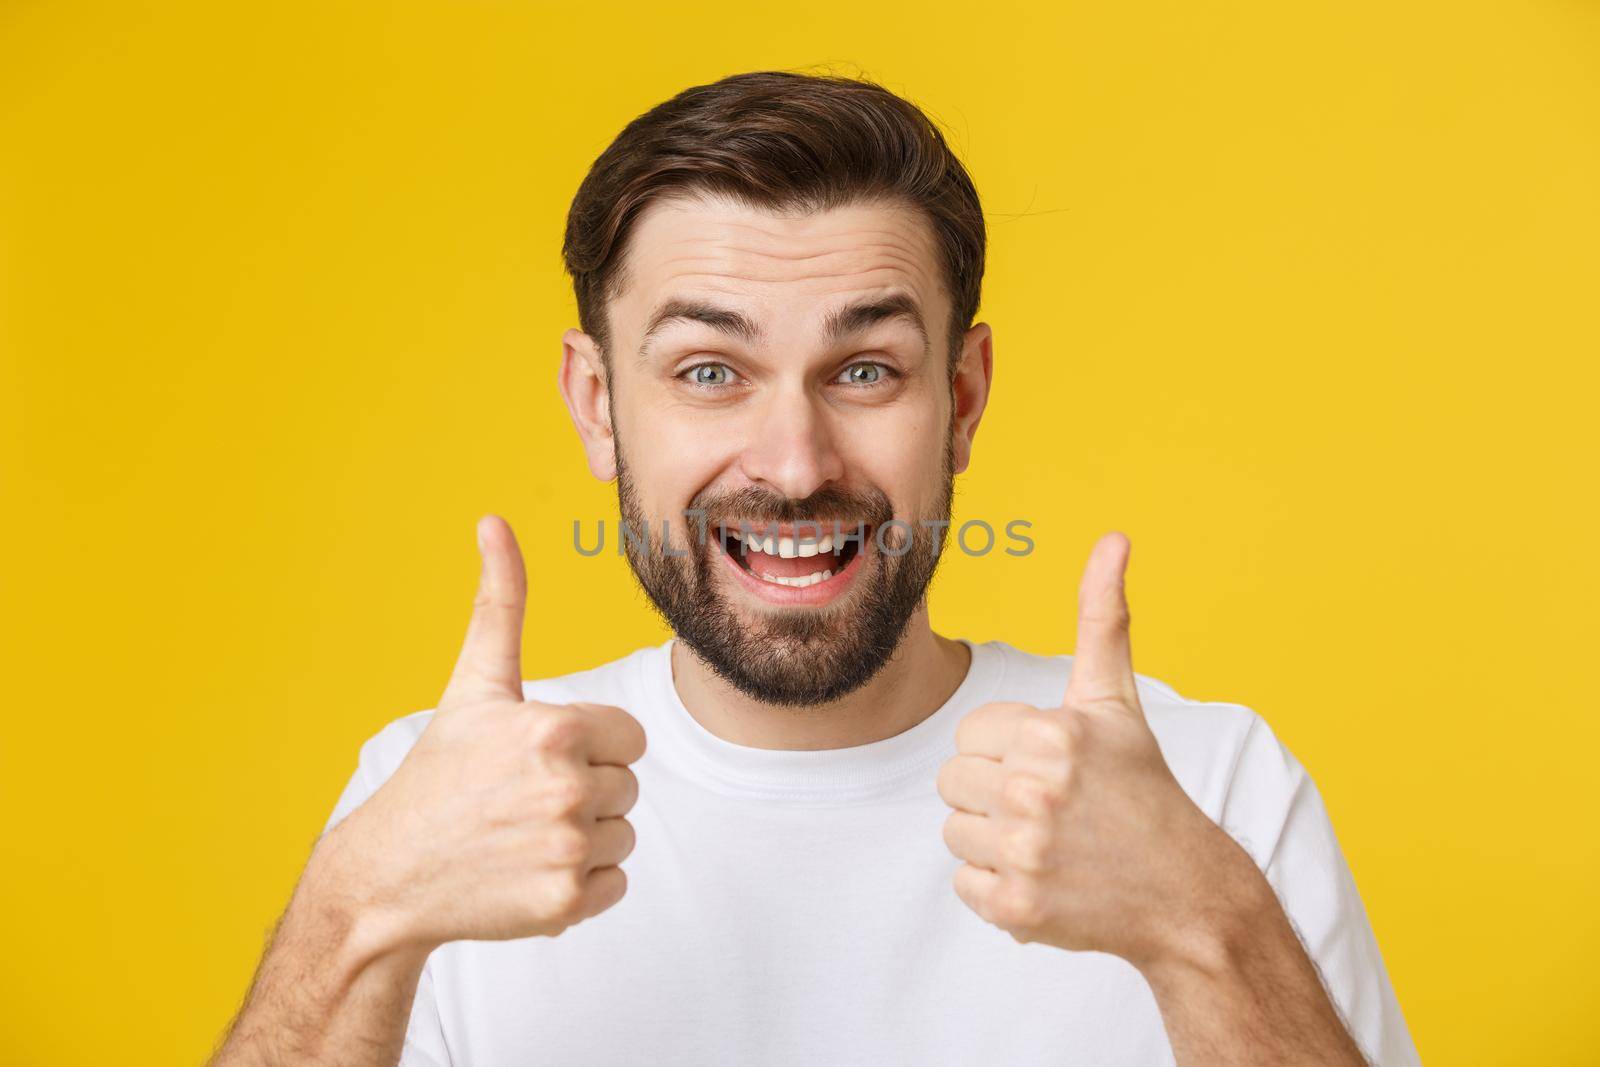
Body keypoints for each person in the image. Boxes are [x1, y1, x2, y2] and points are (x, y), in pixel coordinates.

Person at [209, 70, 1419, 1066]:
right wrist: (357, 917)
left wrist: (1202, 927)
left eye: (864, 370)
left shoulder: (1211, 787)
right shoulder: (432, 803)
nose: (793, 467)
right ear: (595, 404)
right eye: (707, 371)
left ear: (961, 398)